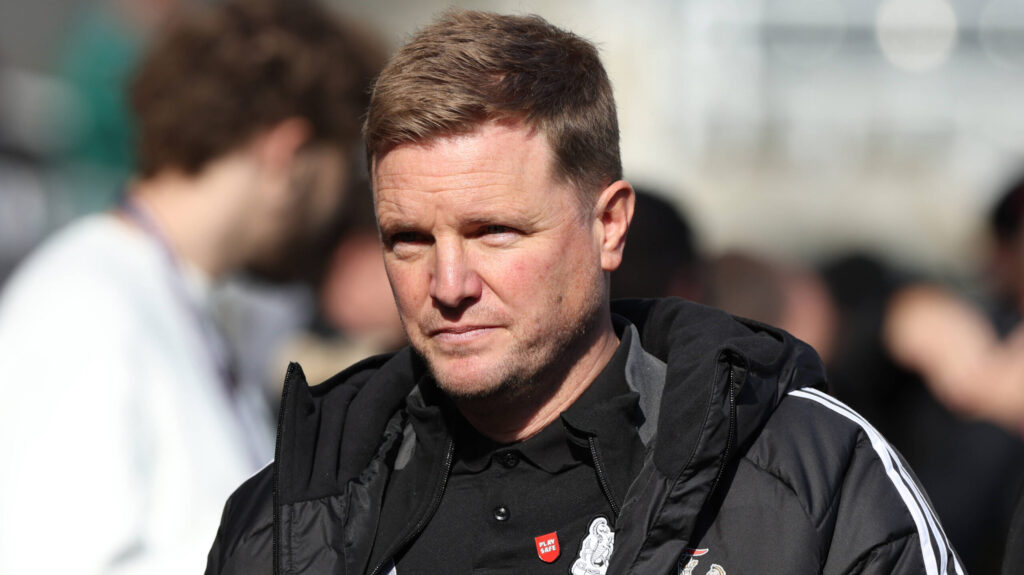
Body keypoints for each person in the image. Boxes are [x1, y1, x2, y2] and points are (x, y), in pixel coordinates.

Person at [207, 10, 961, 574]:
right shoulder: (288, 519)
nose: (448, 285)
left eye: (495, 231)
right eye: (408, 239)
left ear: (609, 225)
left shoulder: (805, 474)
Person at [0, 1, 379, 573]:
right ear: (289, 155)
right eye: (342, 171)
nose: (340, 210)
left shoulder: (167, 298)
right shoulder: (86, 310)